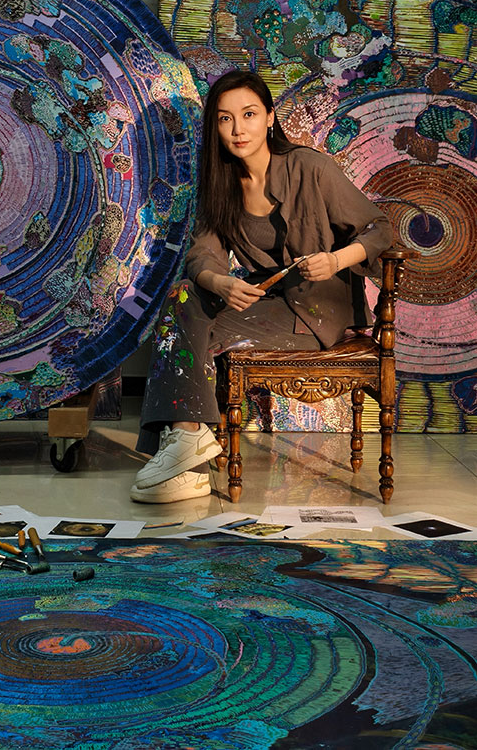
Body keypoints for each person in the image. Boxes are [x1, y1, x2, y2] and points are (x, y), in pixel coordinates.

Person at [131, 68, 393, 504]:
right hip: (266, 305)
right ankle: (188, 447)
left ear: (270, 117)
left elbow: (380, 228)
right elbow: (202, 255)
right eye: (225, 118)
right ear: (215, 127)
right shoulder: (220, 184)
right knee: (183, 299)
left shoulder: (310, 167)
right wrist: (220, 283)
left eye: (249, 114)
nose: (238, 129)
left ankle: (184, 446)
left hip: (316, 312)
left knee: (189, 330)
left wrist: (336, 260)